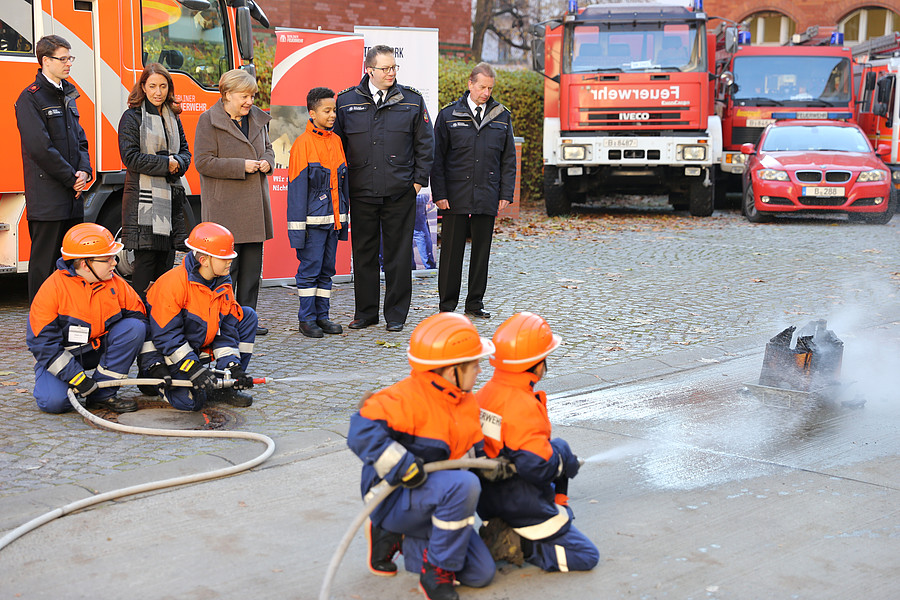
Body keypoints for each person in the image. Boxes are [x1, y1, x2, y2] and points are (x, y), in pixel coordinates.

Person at [347, 313, 497, 600]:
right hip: (393, 497)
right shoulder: (407, 399)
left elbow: (472, 450)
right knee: (464, 487)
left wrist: (492, 465)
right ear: (451, 369)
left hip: (434, 499)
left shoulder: (464, 400)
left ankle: (403, 538)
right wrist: (402, 465)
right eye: (473, 363)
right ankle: (434, 574)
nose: (480, 369)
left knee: (481, 574)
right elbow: (360, 431)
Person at [475, 312, 599, 572]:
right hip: (519, 503)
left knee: (561, 492)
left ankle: (518, 528)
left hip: (488, 498)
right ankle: (523, 545)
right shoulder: (522, 404)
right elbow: (537, 466)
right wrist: (563, 455)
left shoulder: (487, 392)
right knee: (587, 556)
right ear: (536, 363)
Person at [334, 44, 434, 333]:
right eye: (385, 68)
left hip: (400, 192)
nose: (391, 73)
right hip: (362, 191)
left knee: (398, 254)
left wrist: (416, 183)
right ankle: (366, 313)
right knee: (364, 253)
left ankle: (396, 314)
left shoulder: (412, 101)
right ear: (369, 70)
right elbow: (337, 149)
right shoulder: (346, 102)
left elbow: (425, 145)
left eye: (394, 67)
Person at [26, 223, 166, 414]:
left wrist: (152, 365)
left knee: (134, 327)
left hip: (98, 349)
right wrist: (77, 379)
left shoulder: (117, 285)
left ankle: (102, 395)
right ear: (85, 264)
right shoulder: (52, 291)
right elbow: (43, 344)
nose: (115, 263)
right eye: (108, 259)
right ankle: (71, 384)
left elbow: (143, 325)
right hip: (64, 355)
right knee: (54, 403)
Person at [431, 63, 515, 320]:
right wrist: (440, 193)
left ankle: (475, 303)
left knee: (482, 252)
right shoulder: (448, 115)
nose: (486, 93)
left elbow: (508, 159)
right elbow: (437, 159)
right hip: (455, 194)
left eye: (490, 88)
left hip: (487, 193)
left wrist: (505, 193)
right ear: (470, 84)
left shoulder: (502, 115)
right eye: (482, 87)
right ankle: (447, 306)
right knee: (451, 252)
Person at [194, 69, 274, 336]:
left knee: (251, 272)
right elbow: (203, 162)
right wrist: (242, 166)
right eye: (244, 96)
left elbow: (269, 148)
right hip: (224, 208)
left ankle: (246, 319)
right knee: (227, 270)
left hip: (254, 207)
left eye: (252, 95)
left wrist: (267, 162)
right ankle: (222, 319)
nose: (250, 101)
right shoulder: (208, 120)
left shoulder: (259, 120)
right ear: (226, 95)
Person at [145, 222, 258, 410]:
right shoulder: (173, 284)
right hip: (168, 355)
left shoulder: (222, 282)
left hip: (197, 346)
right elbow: (167, 337)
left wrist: (233, 367)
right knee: (192, 403)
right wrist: (192, 368)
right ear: (204, 260)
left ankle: (224, 386)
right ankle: (156, 384)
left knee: (247, 317)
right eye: (224, 258)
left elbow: (227, 331)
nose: (230, 262)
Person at [15, 35, 92, 301]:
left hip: (72, 198)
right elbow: (40, 149)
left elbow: (80, 141)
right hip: (48, 200)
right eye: (63, 58)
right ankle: (41, 327)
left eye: (70, 58)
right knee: (44, 268)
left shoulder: (67, 93)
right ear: (45, 61)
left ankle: (68, 322)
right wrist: (72, 178)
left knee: (72, 266)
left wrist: (84, 172)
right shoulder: (30, 98)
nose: (69, 63)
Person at [118, 63, 192, 301]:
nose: (158, 92)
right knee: (145, 266)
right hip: (143, 205)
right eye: (152, 86)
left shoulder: (173, 117)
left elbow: (186, 154)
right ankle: (137, 317)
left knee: (165, 266)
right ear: (143, 87)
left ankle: (161, 319)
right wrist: (167, 164)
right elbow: (130, 158)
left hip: (171, 203)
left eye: (163, 86)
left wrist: (177, 162)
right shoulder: (132, 117)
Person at [287, 87, 349, 338]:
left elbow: (342, 187)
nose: (333, 115)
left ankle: (322, 316)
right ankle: (307, 319)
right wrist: (297, 234)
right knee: (309, 271)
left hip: (332, 223)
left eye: (334, 110)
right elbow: (297, 194)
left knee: (327, 271)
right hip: (312, 226)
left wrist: (342, 221)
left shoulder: (336, 141)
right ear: (312, 113)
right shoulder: (302, 145)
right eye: (327, 111)